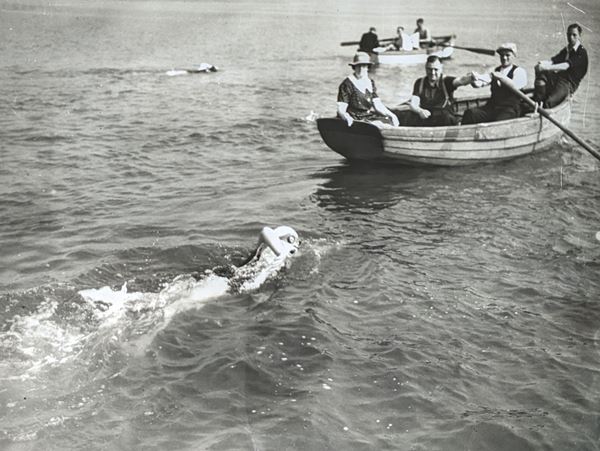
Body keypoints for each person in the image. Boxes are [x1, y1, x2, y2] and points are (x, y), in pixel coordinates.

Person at [461, 43, 528, 125]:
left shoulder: (519, 71)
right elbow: (479, 84)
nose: (504, 58)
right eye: (502, 55)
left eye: (507, 55)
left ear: (514, 56)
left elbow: (515, 86)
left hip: (509, 109)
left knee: (499, 121)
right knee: (470, 113)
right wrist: (473, 79)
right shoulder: (495, 70)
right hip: (492, 107)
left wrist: (500, 77)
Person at [403, 55, 475, 126]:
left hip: (444, 120)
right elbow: (413, 104)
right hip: (427, 118)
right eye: (429, 69)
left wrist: (471, 78)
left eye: (436, 69)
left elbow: (461, 81)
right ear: (425, 68)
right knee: (411, 116)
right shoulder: (419, 83)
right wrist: (420, 111)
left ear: (441, 68)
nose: (432, 73)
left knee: (446, 117)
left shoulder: (446, 81)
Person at [533, 23, 588, 108]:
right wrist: (541, 64)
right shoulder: (567, 49)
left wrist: (545, 67)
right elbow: (554, 61)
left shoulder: (581, 53)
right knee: (542, 74)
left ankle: (544, 106)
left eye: (574, 35)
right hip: (559, 78)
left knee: (549, 102)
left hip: (568, 84)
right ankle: (538, 101)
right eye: (569, 35)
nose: (571, 37)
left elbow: (565, 66)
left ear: (579, 36)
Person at [337, 52, 399, 127]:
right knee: (379, 125)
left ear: (367, 67)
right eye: (358, 66)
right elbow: (341, 108)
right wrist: (347, 117)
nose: (360, 69)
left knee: (388, 122)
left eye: (363, 66)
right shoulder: (347, 84)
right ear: (354, 67)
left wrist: (392, 115)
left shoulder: (370, 82)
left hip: (367, 117)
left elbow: (378, 105)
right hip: (354, 119)